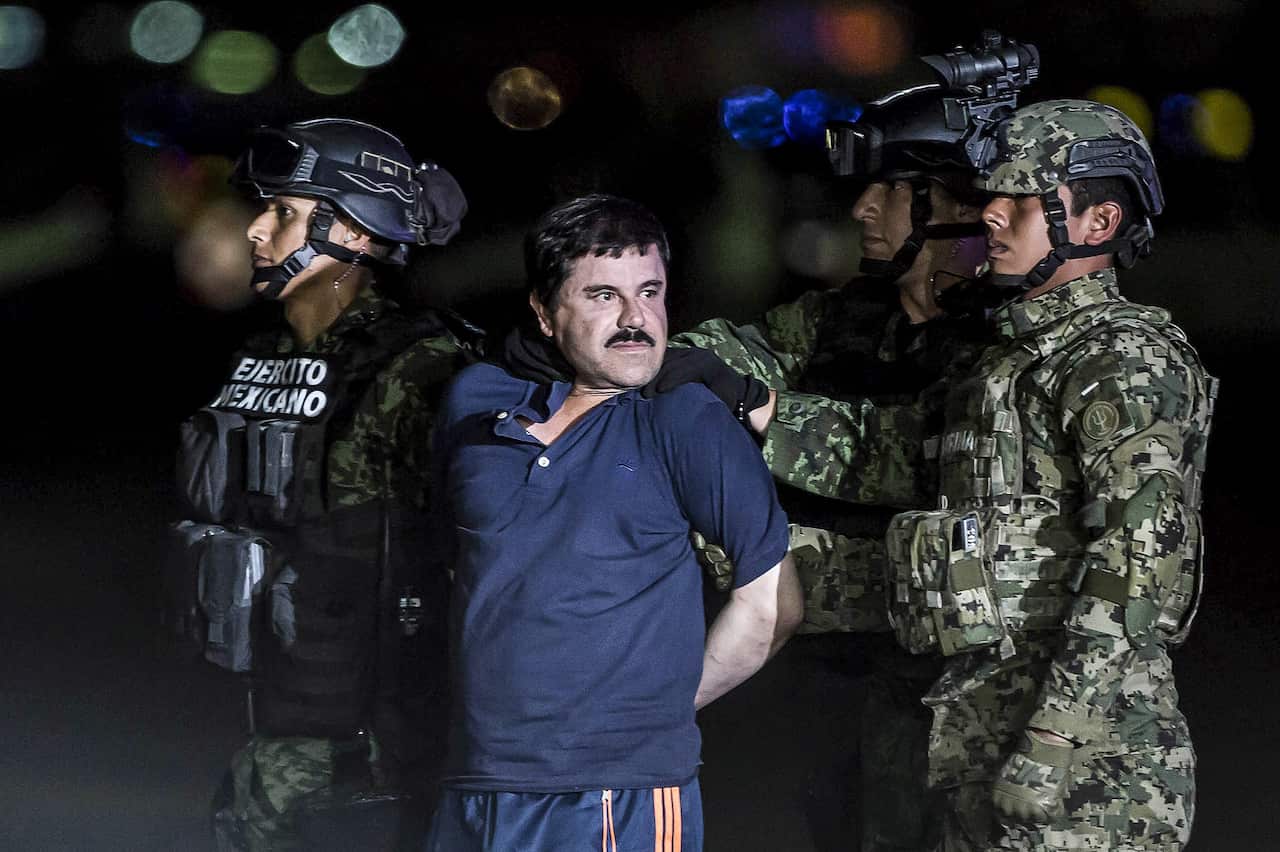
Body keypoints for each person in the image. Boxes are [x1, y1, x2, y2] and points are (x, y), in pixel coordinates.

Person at [662, 82, 997, 851]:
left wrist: (768, 410)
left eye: (892, 191)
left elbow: (920, 452)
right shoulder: (850, 315)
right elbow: (719, 353)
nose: (863, 210)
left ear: (957, 206)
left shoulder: (1003, 343)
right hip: (844, 693)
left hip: (958, 696)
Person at [880, 99, 1216, 850]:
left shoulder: (1124, 356)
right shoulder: (1009, 353)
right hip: (977, 737)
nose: (992, 216)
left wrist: (1056, 737)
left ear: (1096, 225)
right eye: (992, 196)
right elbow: (893, 458)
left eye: (1021, 201)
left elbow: (1139, 560)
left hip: (1092, 772)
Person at [424, 193, 803, 852]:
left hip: (613, 791)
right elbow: (461, 564)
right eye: (603, 295)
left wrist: (654, 715)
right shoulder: (474, 400)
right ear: (545, 312)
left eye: (649, 291)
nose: (637, 318)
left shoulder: (685, 419)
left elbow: (773, 604)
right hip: (474, 777)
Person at [163, 117, 478, 851]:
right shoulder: (261, 354)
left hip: (375, 758)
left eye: (283, 212)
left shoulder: (421, 371)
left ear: (358, 234)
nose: (255, 232)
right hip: (274, 732)